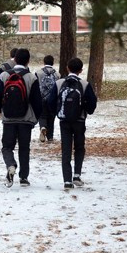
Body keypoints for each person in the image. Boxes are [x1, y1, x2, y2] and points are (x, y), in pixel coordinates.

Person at [0, 48, 42, 187]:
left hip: (8, 119)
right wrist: (35, 118)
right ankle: (24, 177)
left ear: (14, 59)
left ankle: (10, 164)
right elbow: (37, 102)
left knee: (7, 147)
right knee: (24, 148)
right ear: (28, 61)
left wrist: (1, 110)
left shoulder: (4, 76)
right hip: (26, 119)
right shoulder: (31, 77)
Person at [47, 57, 97, 189]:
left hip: (64, 121)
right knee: (79, 148)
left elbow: (50, 102)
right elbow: (92, 105)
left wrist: (58, 112)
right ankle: (77, 174)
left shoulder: (59, 83)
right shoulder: (85, 84)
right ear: (81, 70)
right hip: (79, 121)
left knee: (66, 149)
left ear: (67, 68)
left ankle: (67, 180)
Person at [35, 55, 60, 142]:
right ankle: (50, 137)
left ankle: (43, 127)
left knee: (42, 115)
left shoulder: (38, 73)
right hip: (53, 98)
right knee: (51, 117)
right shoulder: (57, 74)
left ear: (44, 62)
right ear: (53, 62)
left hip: (42, 97)